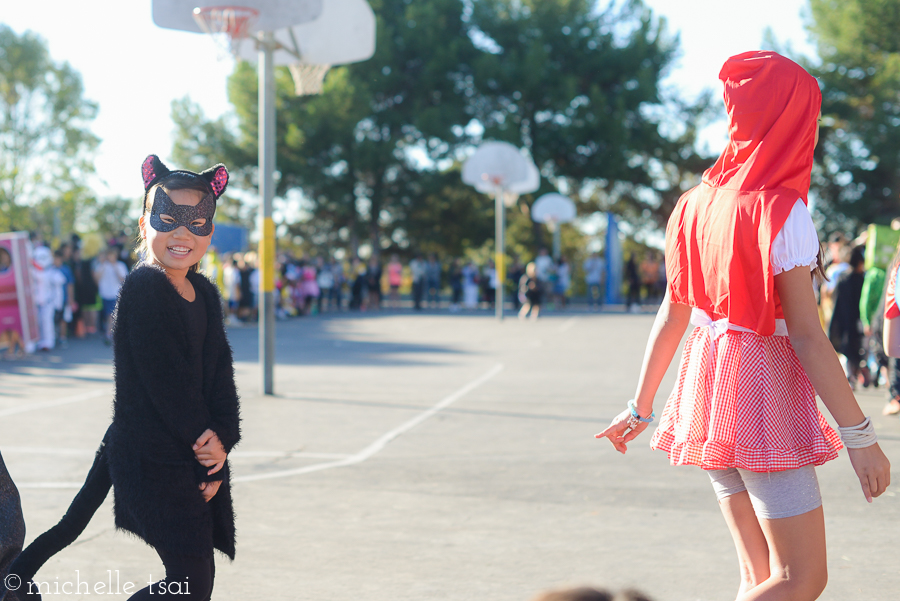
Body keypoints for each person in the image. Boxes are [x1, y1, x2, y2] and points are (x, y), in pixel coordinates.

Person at [596, 52, 890, 601]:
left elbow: (673, 313)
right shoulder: (782, 211)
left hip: (708, 386)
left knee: (759, 578)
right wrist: (860, 436)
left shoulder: (692, 204)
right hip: (763, 394)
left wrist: (640, 406)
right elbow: (805, 334)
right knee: (801, 579)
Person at [9, 155, 241, 601]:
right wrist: (204, 449)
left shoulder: (206, 294)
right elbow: (165, 380)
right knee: (189, 583)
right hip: (152, 450)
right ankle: (14, 582)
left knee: (74, 526)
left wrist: (222, 442)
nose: (182, 233)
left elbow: (217, 374)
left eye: (197, 223)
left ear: (210, 231)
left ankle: (13, 582)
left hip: (178, 444)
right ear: (144, 223)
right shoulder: (145, 287)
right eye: (168, 219)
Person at [94, 247, 128, 343]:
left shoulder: (120, 266)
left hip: (116, 293)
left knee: (111, 314)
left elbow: (123, 279)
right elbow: (97, 279)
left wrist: (115, 268)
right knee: (107, 314)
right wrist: (102, 265)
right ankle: (109, 331)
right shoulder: (103, 266)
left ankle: (109, 333)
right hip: (105, 294)